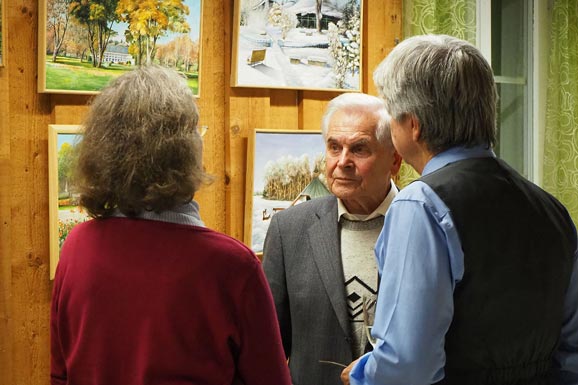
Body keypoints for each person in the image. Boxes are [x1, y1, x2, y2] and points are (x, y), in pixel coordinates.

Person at [341, 34, 578, 385]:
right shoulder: (551, 209)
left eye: (391, 113)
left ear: (413, 125)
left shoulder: (419, 205)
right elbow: (571, 353)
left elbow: (407, 369)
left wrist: (361, 374)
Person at [50, 65, 292, 385]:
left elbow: (60, 375)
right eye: (196, 130)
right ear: (185, 150)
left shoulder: (78, 245)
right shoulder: (230, 266)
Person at [262, 92, 402, 385]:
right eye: (334, 147)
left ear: (395, 160)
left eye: (359, 149)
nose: (343, 162)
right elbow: (267, 350)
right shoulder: (289, 230)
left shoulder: (425, 226)